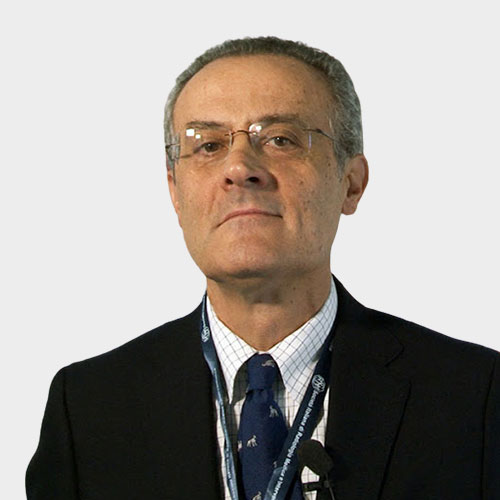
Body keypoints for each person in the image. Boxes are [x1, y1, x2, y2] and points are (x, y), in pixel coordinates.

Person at [26, 36, 499, 500]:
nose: (239, 167)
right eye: (208, 145)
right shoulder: (88, 408)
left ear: (351, 183)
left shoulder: (473, 397)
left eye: (280, 139)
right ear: (175, 191)